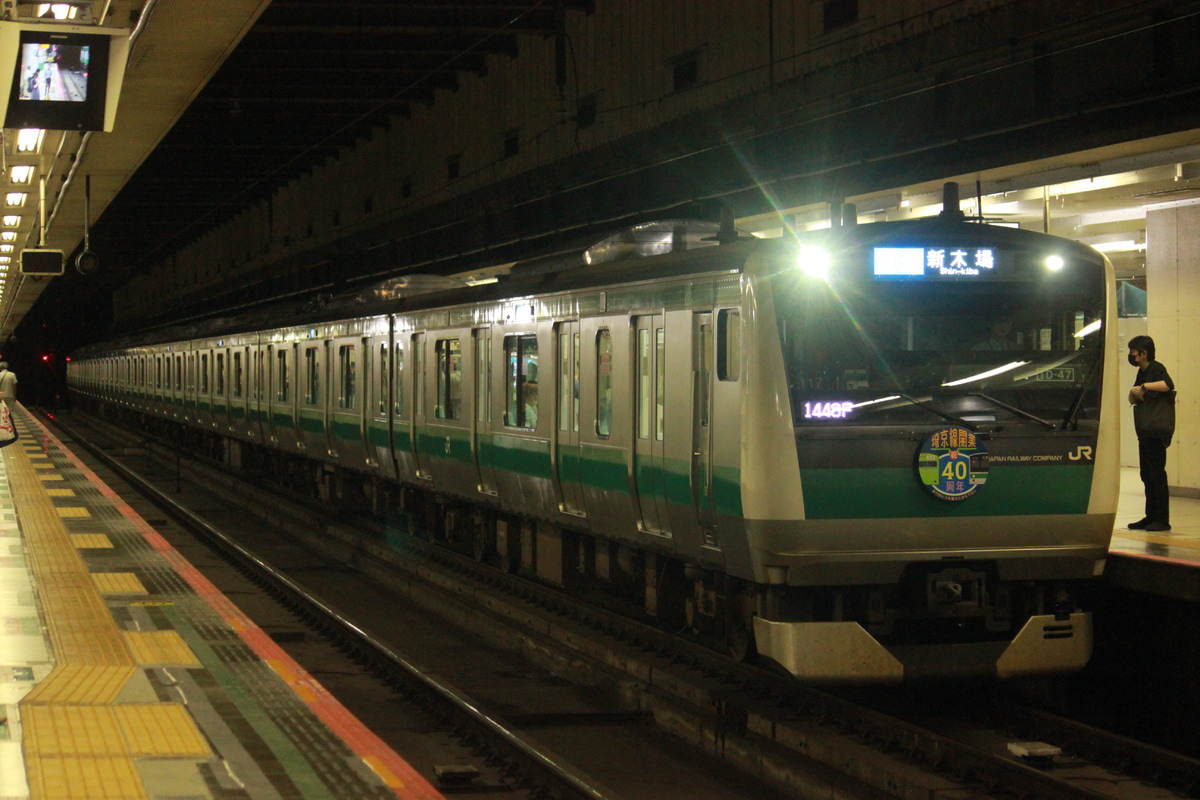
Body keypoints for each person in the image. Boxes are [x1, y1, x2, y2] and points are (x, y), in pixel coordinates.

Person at [1127, 335, 1174, 532]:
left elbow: (1167, 384)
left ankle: (1162, 519)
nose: (1131, 355)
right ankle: (1150, 516)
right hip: (1145, 430)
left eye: (1133, 352)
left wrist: (1144, 388)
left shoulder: (1156, 368)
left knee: (1157, 474)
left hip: (1156, 431)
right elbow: (1133, 396)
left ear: (1144, 353)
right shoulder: (1142, 371)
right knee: (1146, 473)